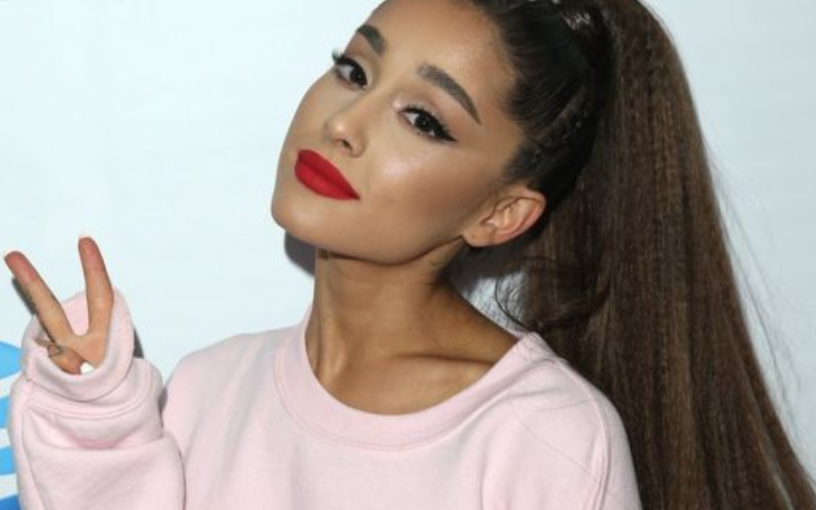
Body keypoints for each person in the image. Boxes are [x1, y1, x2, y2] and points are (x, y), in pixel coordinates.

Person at [3, 0, 815, 508]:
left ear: (501, 213)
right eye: (355, 70)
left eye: (424, 119)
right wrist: (93, 419)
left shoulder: (543, 440)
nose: (342, 122)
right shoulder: (208, 390)